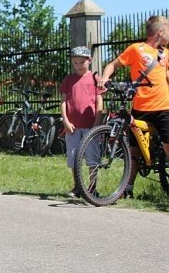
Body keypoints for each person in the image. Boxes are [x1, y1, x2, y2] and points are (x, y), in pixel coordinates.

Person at [99, 15, 169, 198]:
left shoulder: (166, 53)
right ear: (160, 32)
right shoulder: (136, 49)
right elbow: (112, 65)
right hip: (140, 108)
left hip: (164, 108)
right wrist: (105, 79)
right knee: (134, 151)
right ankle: (127, 188)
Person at [61, 47, 104, 198]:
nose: (78, 65)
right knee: (73, 157)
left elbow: (99, 102)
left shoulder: (95, 79)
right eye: (75, 62)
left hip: (90, 126)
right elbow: (64, 102)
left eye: (82, 62)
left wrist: (96, 124)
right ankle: (78, 187)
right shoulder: (68, 80)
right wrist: (65, 120)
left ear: (90, 61)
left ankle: (92, 187)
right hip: (72, 126)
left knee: (92, 157)